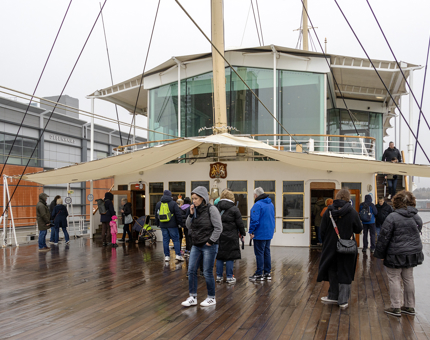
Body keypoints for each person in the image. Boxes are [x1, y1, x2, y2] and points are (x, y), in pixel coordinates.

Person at [374, 190, 424, 317]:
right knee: (408, 278)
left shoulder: (392, 217)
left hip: (395, 253)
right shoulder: (416, 216)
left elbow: (384, 237)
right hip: (412, 253)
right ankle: (410, 306)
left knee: (394, 278)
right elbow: (419, 229)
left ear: (396, 202)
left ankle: (396, 307)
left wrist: (379, 254)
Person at [317, 188, 363, 309]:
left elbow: (322, 231)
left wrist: (327, 240)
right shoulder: (352, 212)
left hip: (331, 245)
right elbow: (358, 229)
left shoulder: (328, 211)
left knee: (332, 269)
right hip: (347, 246)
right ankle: (343, 301)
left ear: (336, 197)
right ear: (348, 198)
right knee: (345, 271)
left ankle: (333, 296)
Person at [182, 186, 223, 307]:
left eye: (196, 198)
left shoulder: (212, 209)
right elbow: (188, 226)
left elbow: (218, 227)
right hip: (196, 244)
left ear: (203, 198)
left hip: (208, 245)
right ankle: (192, 297)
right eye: (192, 199)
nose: (193, 201)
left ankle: (211, 297)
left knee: (207, 272)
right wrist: (190, 214)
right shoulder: (194, 210)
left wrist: (210, 241)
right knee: (191, 271)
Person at [216, 189, 246, 284]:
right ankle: (229, 277)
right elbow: (240, 223)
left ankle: (219, 276)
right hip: (231, 236)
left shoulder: (216, 208)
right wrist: (243, 234)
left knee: (219, 256)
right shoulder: (234, 209)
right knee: (230, 257)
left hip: (219, 235)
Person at [248, 187, 275, 281]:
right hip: (269, 232)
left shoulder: (257, 205)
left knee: (259, 253)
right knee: (267, 252)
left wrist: (251, 231)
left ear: (256, 195)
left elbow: (254, 220)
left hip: (259, 233)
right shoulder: (271, 204)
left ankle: (259, 273)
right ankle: (267, 273)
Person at [154, 190, 184, 262]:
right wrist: (180, 223)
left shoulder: (158, 204)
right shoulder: (173, 203)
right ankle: (178, 255)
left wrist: (157, 223)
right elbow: (178, 215)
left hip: (163, 225)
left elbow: (156, 215)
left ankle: (167, 256)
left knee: (165, 240)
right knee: (175, 240)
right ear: (170, 195)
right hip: (173, 225)